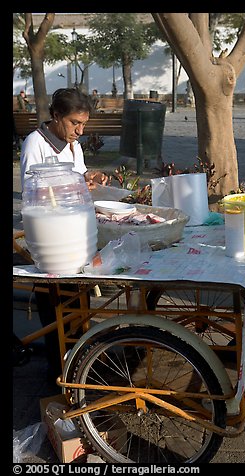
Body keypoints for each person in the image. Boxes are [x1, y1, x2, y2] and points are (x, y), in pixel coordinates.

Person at [20, 87, 109, 380]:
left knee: (77, 300)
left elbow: (78, 174)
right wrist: (75, 186)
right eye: (74, 123)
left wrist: (89, 177)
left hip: (73, 233)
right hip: (52, 236)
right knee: (57, 303)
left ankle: (80, 361)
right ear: (56, 116)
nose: (79, 131)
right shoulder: (36, 144)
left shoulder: (73, 145)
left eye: (83, 124)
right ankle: (59, 371)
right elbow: (34, 190)